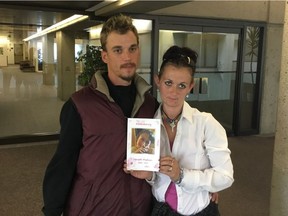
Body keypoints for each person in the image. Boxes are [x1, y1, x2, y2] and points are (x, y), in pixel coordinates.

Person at [42, 14, 159, 216]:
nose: (127, 57)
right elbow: (63, 163)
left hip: (139, 209)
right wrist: (52, 211)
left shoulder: (150, 105)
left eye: (132, 48)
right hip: (94, 209)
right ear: (105, 56)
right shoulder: (80, 105)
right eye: (118, 50)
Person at [125, 45, 234, 216]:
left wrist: (182, 176)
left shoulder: (206, 124)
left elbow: (225, 176)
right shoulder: (146, 127)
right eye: (168, 83)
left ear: (191, 86)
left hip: (199, 211)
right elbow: (158, 181)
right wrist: (148, 175)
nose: (173, 92)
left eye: (181, 85)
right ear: (157, 81)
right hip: (161, 210)